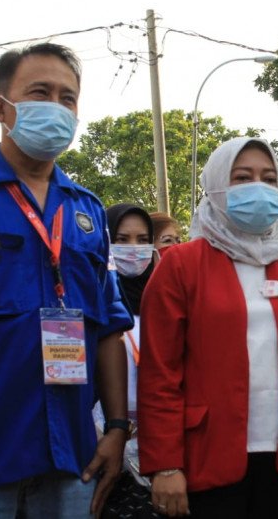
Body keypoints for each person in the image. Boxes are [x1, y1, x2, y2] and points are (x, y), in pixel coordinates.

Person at [0, 43, 133, 518]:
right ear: (1, 107)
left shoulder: (89, 211)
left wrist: (117, 428)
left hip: (73, 464)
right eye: (40, 93)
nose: (56, 107)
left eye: (68, 98)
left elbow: (112, 328)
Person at [138, 137, 278, 518]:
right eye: (242, 177)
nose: (258, 186)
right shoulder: (180, 266)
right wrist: (165, 464)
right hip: (205, 463)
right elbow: (160, 374)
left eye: (269, 178)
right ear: (216, 187)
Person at [99, 203, 159, 517]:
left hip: (158, 447)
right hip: (102, 441)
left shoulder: (165, 302)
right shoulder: (93, 302)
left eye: (142, 239)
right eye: (121, 240)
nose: (133, 249)